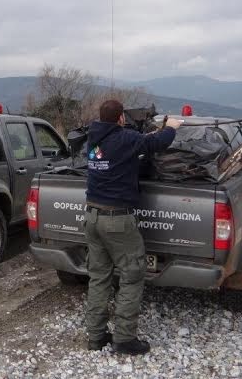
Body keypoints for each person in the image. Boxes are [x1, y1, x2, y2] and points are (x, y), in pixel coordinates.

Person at [84, 99, 181, 355]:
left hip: (92, 217)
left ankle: (96, 337)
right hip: (117, 219)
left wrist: (145, 134)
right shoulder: (125, 139)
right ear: (121, 119)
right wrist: (170, 126)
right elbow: (158, 143)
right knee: (132, 274)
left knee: (99, 277)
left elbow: (131, 145)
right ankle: (124, 339)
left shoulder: (92, 139)